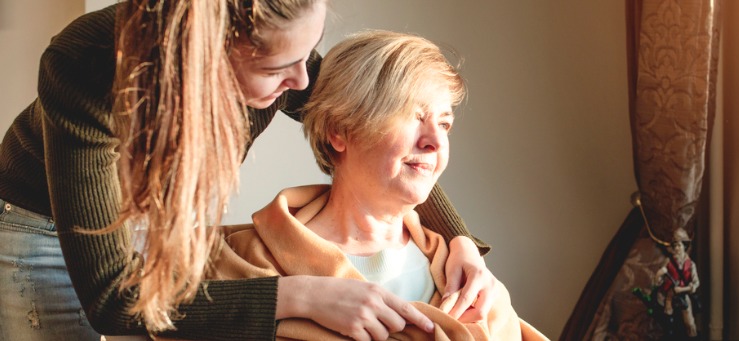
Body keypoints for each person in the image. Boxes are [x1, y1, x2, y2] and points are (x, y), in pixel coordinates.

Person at [0, 1, 496, 340]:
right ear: (211, 54)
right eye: (279, 68)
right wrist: (302, 295)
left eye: (309, 53)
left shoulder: (285, 51)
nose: (303, 81)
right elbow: (111, 298)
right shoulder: (86, 66)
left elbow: (366, 129)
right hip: (36, 227)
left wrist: (460, 240)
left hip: (140, 223)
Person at [197, 29, 547, 340]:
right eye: (410, 114)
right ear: (339, 131)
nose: (435, 143)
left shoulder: (475, 287)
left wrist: (462, 240)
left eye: (445, 124)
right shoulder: (243, 264)